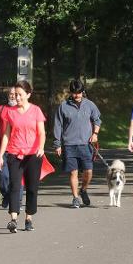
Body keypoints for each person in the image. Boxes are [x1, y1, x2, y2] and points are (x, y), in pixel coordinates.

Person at [0, 80, 47, 232]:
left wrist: (41, 147)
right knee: (15, 186)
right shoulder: (10, 112)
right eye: (16, 95)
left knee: (32, 188)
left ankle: (29, 218)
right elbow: (6, 134)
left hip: (33, 154)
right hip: (14, 154)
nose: (17, 98)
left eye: (20, 95)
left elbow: (42, 132)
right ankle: (13, 219)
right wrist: (1, 155)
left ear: (28, 94)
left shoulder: (36, 110)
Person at [53, 79, 102, 208]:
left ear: (82, 92)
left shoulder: (90, 105)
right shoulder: (63, 107)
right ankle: (75, 198)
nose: (77, 96)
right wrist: (57, 144)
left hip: (86, 144)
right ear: (71, 93)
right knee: (73, 172)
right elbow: (58, 125)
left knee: (88, 171)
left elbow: (97, 120)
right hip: (69, 145)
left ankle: (83, 189)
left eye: (79, 93)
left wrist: (95, 134)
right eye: (74, 93)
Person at [0, 87, 23, 210]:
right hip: (4, 149)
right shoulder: (1, 109)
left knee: (17, 177)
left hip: (19, 149)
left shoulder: (22, 109)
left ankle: (17, 201)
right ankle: (7, 195)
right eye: (10, 94)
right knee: (3, 175)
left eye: (15, 94)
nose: (13, 96)